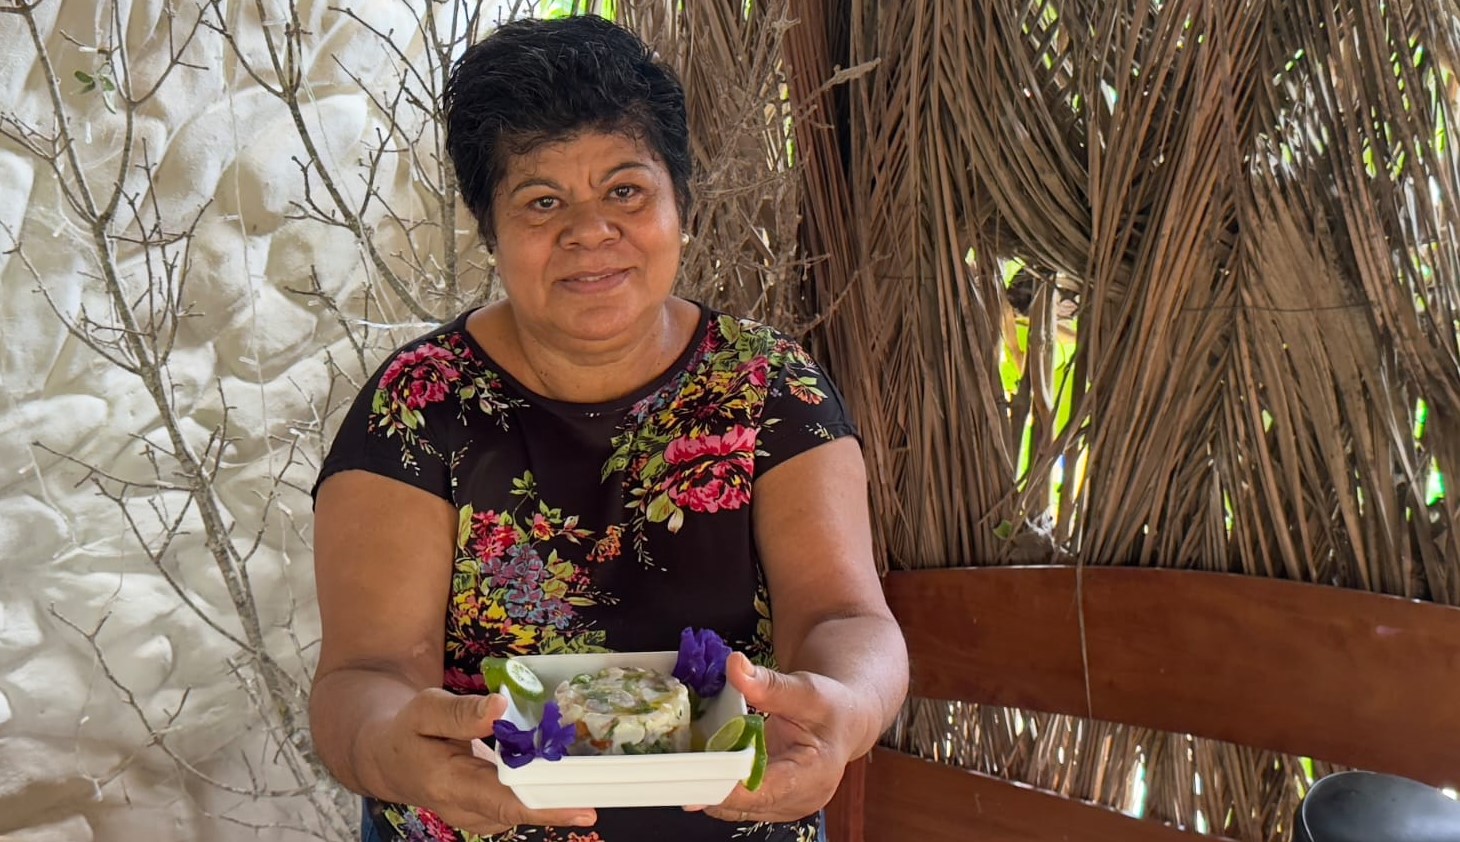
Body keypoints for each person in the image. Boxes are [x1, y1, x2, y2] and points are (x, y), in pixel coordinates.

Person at [308, 14, 908, 842]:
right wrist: (389, 749)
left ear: (680, 203)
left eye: (626, 190)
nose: (590, 231)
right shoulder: (418, 406)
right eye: (542, 201)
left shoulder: (771, 388)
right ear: (490, 229)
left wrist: (847, 709)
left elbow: (845, 619)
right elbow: (363, 676)